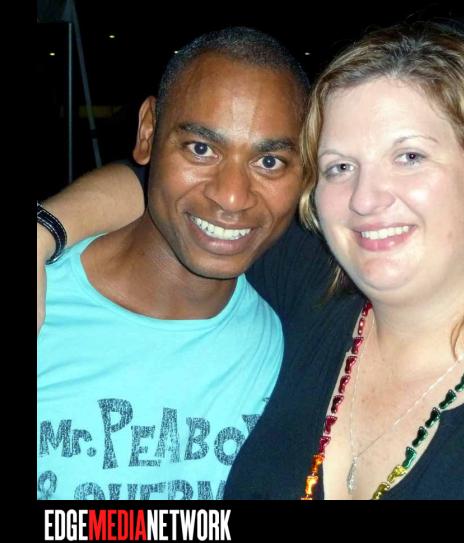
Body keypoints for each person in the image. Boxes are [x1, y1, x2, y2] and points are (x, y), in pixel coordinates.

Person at [38, 23, 464, 499]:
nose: (366, 199)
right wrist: (45, 231)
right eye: (339, 166)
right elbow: (169, 193)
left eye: (409, 156)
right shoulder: (314, 296)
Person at [36, 27, 309, 500]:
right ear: (148, 132)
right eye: (201, 149)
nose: (231, 196)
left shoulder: (291, 343)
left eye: (269, 162)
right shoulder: (46, 305)